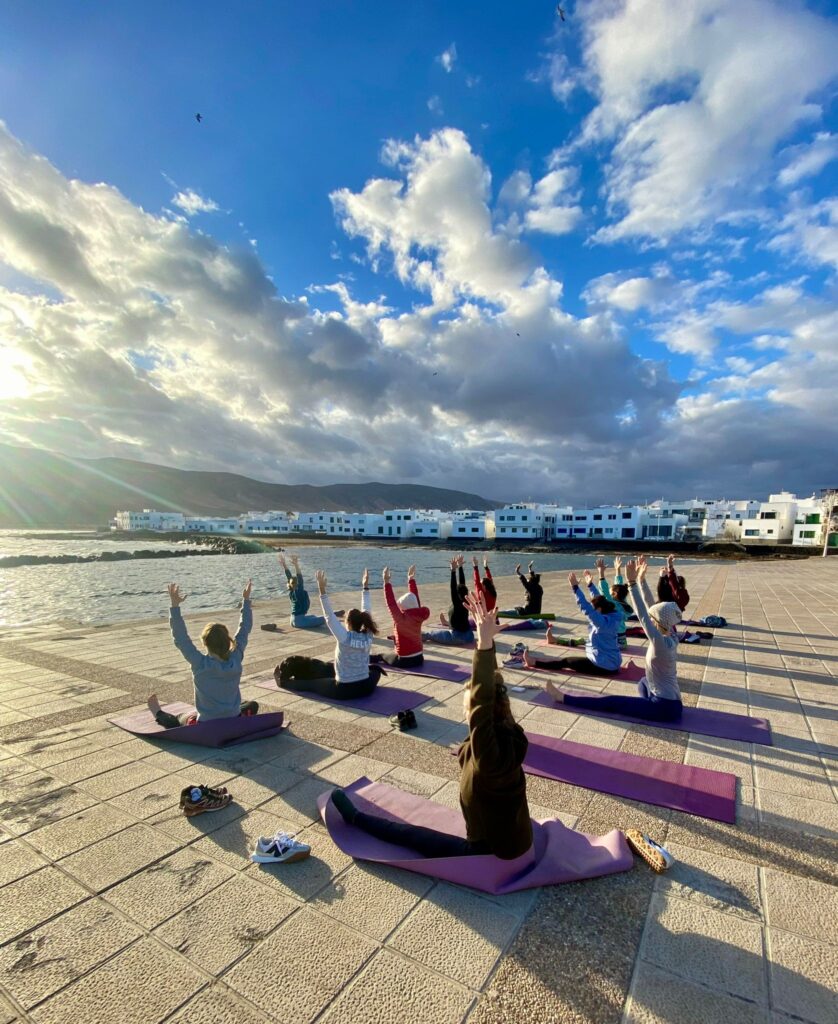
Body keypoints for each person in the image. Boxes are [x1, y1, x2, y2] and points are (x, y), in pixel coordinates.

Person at [331, 591, 533, 859]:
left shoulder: (488, 754)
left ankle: (356, 819)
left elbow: (482, 705)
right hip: (515, 837)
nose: (465, 706)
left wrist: (483, 646)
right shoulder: (508, 729)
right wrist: (487, 644)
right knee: (488, 703)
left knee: (410, 836)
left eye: (467, 702)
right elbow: (492, 694)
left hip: (490, 850)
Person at [542, 557, 683, 723]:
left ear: (657, 622)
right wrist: (641, 580)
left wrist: (631, 583)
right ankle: (644, 705)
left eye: (654, 619)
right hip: (675, 703)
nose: (651, 620)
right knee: (643, 683)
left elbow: (644, 615)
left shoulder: (659, 642)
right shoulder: (671, 634)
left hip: (663, 707)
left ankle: (563, 698)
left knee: (613, 702)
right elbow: (652, 608)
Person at [147, 581, 258, 728]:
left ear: (205, 643)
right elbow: (244, 630)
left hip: (206, 722)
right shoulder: (236, 658)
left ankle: (157, 712)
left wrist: (175, 606)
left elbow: (181, 639)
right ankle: (230, 713)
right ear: (228, 641)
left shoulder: (199, 663)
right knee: (252, 705)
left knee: (181, 719)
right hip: (233, 717)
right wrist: (246, 600)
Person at [274, 570, 383, 699]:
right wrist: (365, 586)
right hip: (365, 686)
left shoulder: (345, 637)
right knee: (376, 671)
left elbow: (329, 616)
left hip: (343, 689)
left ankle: (283, 683)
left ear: (347, 623)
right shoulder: (368, 635)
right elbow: (367, 610)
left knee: (313, 685)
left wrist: (321, 589)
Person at [523, 570, 621, 676]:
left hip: (602, 666)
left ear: (599, 610)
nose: (593, 610)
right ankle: (553, 643)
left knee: (566, 661)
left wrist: (575, 588)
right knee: (580, 645)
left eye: (594, 609)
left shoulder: (601, 623)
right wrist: (590, 585)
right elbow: (599, 600)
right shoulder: (613, 616)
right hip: (613, 663)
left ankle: (534, 663)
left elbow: (586, 607)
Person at [381, 564, 430, 667]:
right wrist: (410, 579)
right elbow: (415, 598)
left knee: (381, 656)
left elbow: (391, 603)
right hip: (419, 658)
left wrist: (386, 582)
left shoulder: (400, 618)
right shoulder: (419, 615)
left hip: (404, 660)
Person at [423, 556, 475, 646]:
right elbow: (462, 584)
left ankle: (414, 637)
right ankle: (446, 623)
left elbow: (453, 588)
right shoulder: (466, 600)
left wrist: (453, 571)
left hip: (457, 637)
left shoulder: (457, 603)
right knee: (456, 620)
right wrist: (460, 567)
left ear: (457, 594)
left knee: (430, 634)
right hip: (469, 636)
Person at [278, 553, 326, 629]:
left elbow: (289, 577)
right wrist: (296, 565)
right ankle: (337, 613)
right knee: (326, 619)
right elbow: (299, 578)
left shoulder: (292, 592)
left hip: (293, 619)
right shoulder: (298, 592)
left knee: (313, 616)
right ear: (296, 584)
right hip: (300, 621)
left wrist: (285, 565)